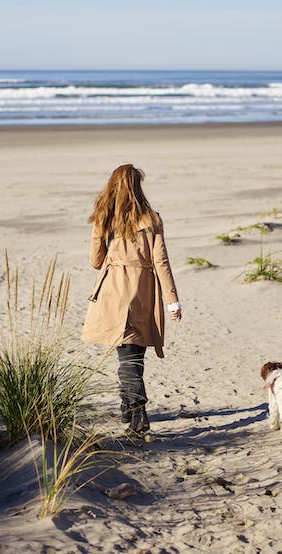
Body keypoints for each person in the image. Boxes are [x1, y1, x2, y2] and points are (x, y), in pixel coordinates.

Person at [80, 164, 182, 435]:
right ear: (138, 188)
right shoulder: (152, 219)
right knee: (132, 353)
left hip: (113, 290)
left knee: (126, 355)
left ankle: (137, 414)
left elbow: (95, 261)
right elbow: (161, 261)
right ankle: (128, 406)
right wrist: (173, 300)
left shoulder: (105, 217)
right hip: (142, 291)